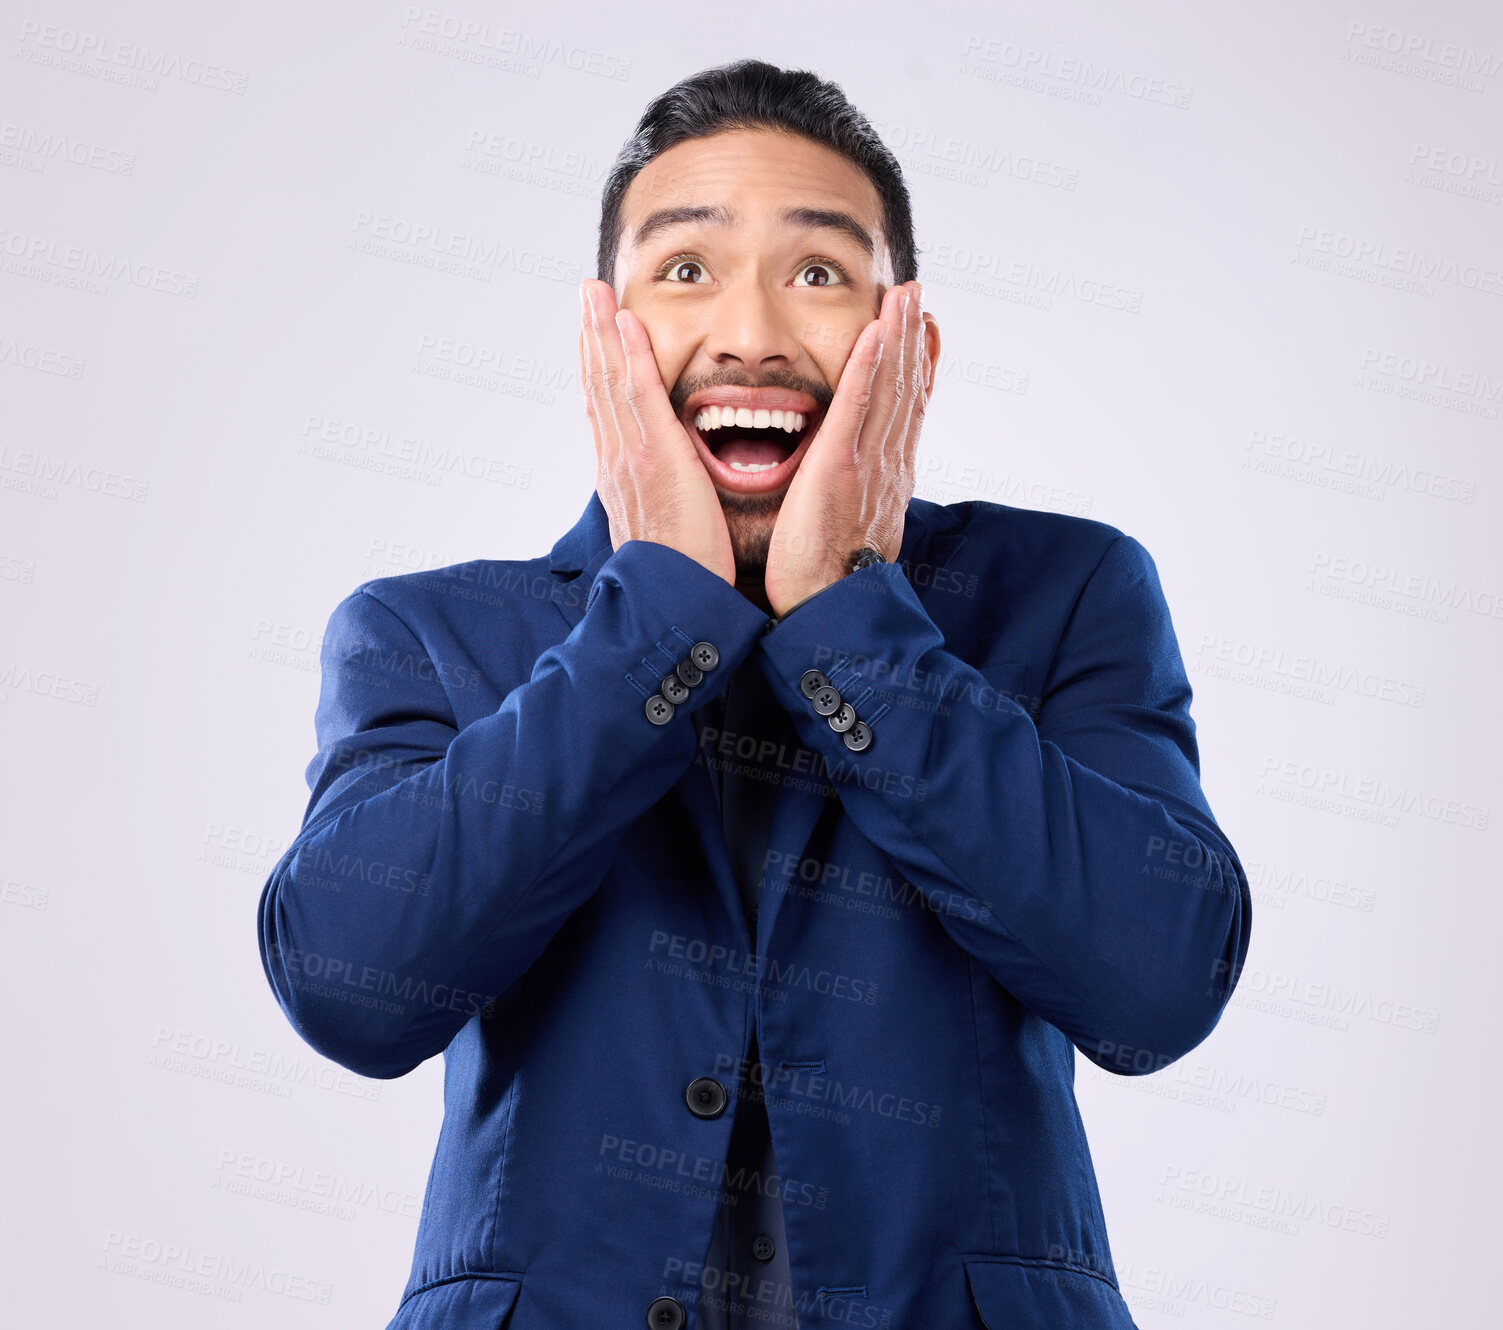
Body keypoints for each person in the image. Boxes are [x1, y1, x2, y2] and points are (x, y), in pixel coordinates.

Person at [257, 58, 1252, 1330]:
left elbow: (1158, 982)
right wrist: (659, 607)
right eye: (684, 270)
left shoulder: (1064, 591)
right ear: (601, 340)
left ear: (913, 346)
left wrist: (850, 614)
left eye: (822, 273)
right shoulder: (426, 632)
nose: (753, 334)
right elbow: (353, 987)